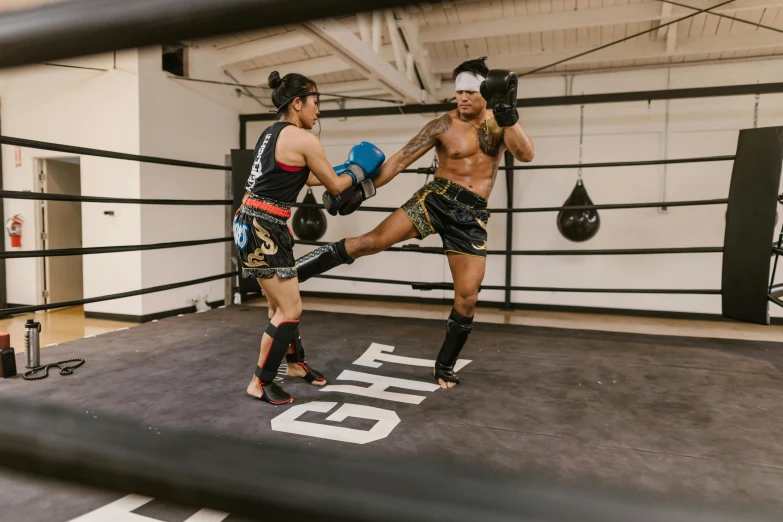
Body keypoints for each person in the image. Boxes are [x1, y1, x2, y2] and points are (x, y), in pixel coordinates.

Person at [294, 57, 535, 389]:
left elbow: (526, 154)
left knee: (468, 296)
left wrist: (509, 114)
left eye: (470, 92)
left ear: (485, 92)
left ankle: (445, 366)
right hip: (436, 199)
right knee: (369, 242)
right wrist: (363, 188)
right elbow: (400, 159)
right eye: (458, 92)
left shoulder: (499, 124)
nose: (463, 98)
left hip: (472, 216)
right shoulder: (442, 125)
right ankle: (291, 274)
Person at [234, 70, 385, 404]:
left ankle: (296, 366)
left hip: (256, 222)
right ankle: (259, 382)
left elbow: (308, 178)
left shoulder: (270, 134)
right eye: (315, 102)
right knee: (290, 308)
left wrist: (347, 171)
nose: (318, 110)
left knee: (278, 304)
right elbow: (333, 186)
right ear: (298, 102)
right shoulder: (304, 139)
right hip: (263, 227)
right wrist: (358, 172)